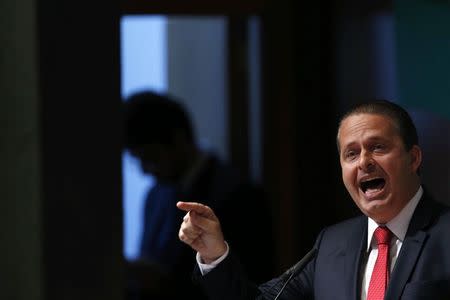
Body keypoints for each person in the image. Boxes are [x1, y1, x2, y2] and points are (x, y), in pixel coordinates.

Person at [177, 99, 450, 299]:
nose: (364, 162)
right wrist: (213, 254)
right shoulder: (331, 244)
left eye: (378, 147)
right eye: (351, 154)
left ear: (413, 158)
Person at [123, 90, 276, 299]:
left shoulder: (238, 196)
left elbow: (253, 283)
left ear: (178, 139)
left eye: (151, 157)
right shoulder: (156, 195)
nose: (145, 170)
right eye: (137, 159)